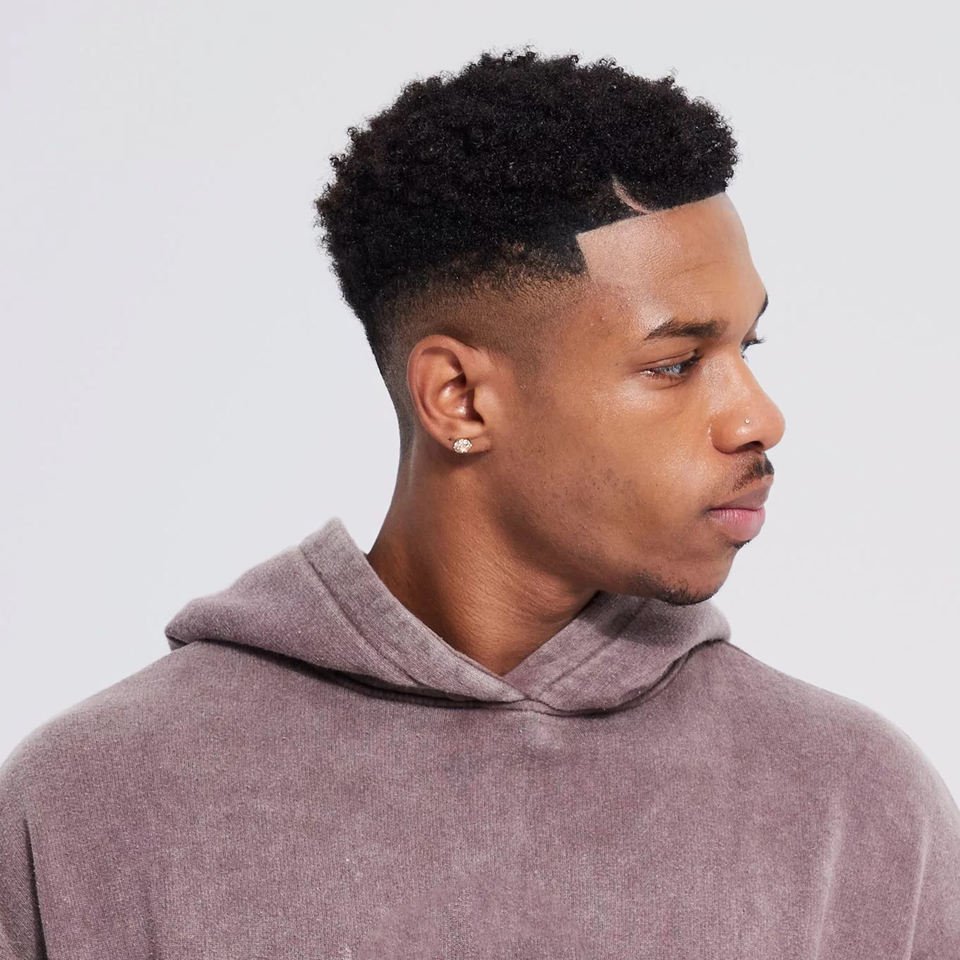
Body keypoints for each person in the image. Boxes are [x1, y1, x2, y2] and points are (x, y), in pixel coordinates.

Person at [1, 49, 957, 960]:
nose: (760, 418)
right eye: (674, 364)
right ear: (458, 398)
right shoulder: (91, 802)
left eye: (748, 348)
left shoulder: (856, 804)